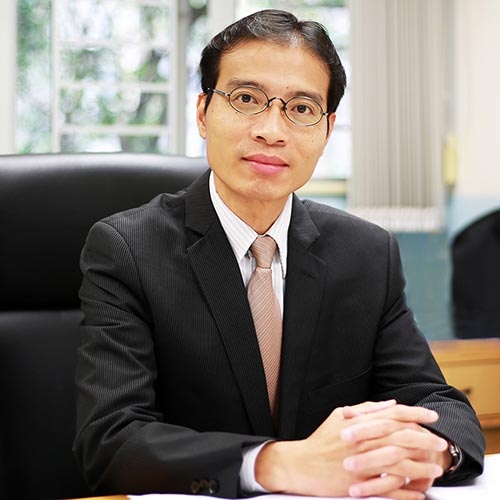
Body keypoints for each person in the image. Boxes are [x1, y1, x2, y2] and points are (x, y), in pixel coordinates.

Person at [74, 9, 485, 500]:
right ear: (203, 112)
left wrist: (429, 454)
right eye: (247, 99)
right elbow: (112, 441)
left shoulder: (368, 254)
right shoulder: (127, 250)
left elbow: (441, 406)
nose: (272, 130)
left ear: (327, 131)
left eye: (302, 108)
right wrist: (276, 464)